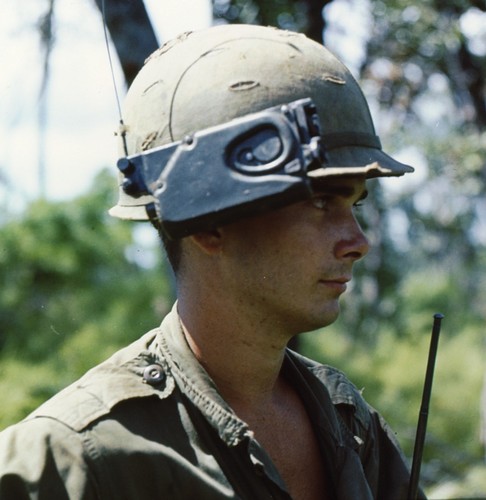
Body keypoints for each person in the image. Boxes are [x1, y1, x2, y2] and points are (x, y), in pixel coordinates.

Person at [0, 24, 423, 499]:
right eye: (321, 201)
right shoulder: (74, 457)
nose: (357, 241)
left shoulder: (349, 422)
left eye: (356, 204)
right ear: (208, 224)